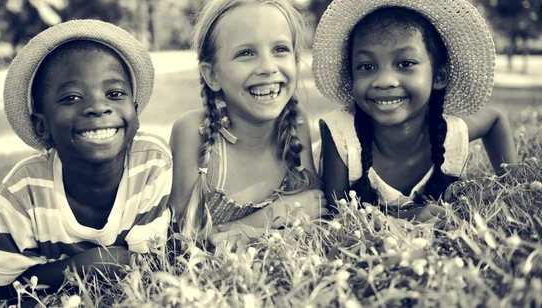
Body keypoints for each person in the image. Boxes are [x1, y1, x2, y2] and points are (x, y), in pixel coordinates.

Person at [0, 20, 172, 294]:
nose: (98, 107)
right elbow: (3, 287)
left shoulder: (151, 163)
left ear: (136, 112)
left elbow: (150, 265)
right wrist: (94, 262)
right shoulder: (22, 190)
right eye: (71, 98)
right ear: (42, 125)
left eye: (114, 94)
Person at [313, 0, 517, 222]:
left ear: (439, 77)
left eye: (405, 63)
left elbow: (495, 119)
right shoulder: (340, 134)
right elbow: (338, 214)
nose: (384, 81)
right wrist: (408, 216)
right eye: (367, 66)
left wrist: (512, 184)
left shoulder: (450, 133)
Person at [168, 0, 324, 245]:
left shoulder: (296, 122)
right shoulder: (193, 132)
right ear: (212, 75)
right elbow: (183, 239)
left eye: (280, 49)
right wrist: (269, 217)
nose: (267, 67)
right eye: (246, 53)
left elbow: (315, 205)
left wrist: (236, 234)